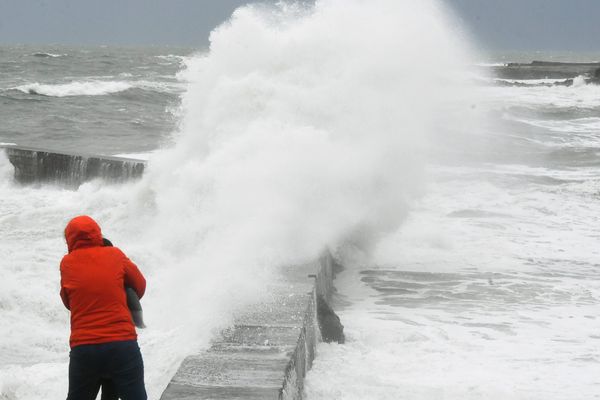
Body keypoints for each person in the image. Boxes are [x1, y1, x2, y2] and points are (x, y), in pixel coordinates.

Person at [60, 215, 147, 400]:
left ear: (70, 238)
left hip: (84, 348)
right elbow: (139, 285)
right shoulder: (115, 254)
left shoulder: (67, 263)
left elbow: (68, 302)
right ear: (97, 233)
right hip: (122, 345)